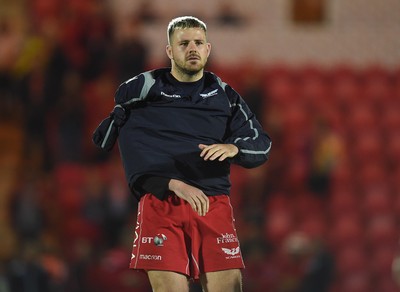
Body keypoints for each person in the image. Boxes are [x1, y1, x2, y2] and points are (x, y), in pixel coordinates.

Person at [93, 16, 272, 292]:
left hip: (213, 205)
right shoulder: (145, 92)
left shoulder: (225, 95)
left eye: (198, 43)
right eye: (184, 43)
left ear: (208, 49)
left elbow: (261, 144)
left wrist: (233, 147)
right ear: (169, 51)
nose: (192, 49)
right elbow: (134, 160)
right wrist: (173, 184)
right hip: (161, 206)